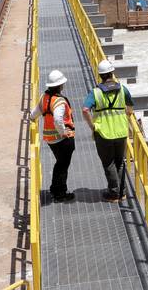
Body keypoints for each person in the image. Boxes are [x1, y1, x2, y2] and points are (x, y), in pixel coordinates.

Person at [82, 59, 134, 201]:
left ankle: (113, 193)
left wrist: (92, 126)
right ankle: (122, 192)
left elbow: (85, 109)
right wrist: (126, 117)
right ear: (112, 73)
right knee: (120, 162)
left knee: (108, 163)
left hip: (103, 133)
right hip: (121, 131)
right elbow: (130, 108)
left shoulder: (96, 93)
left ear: (100, 75)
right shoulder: (123, 89)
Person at [27, 70, 76, 201]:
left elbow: (34, 113)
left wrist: (32, 119)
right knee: (63, 166)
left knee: (59, 164)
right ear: (60, 85)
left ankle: (55, 189)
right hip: (62, 139)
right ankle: (60, 193)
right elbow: (58, 119)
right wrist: (63, 132)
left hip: (50, 139)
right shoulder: (59, 101)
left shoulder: (45, 98)